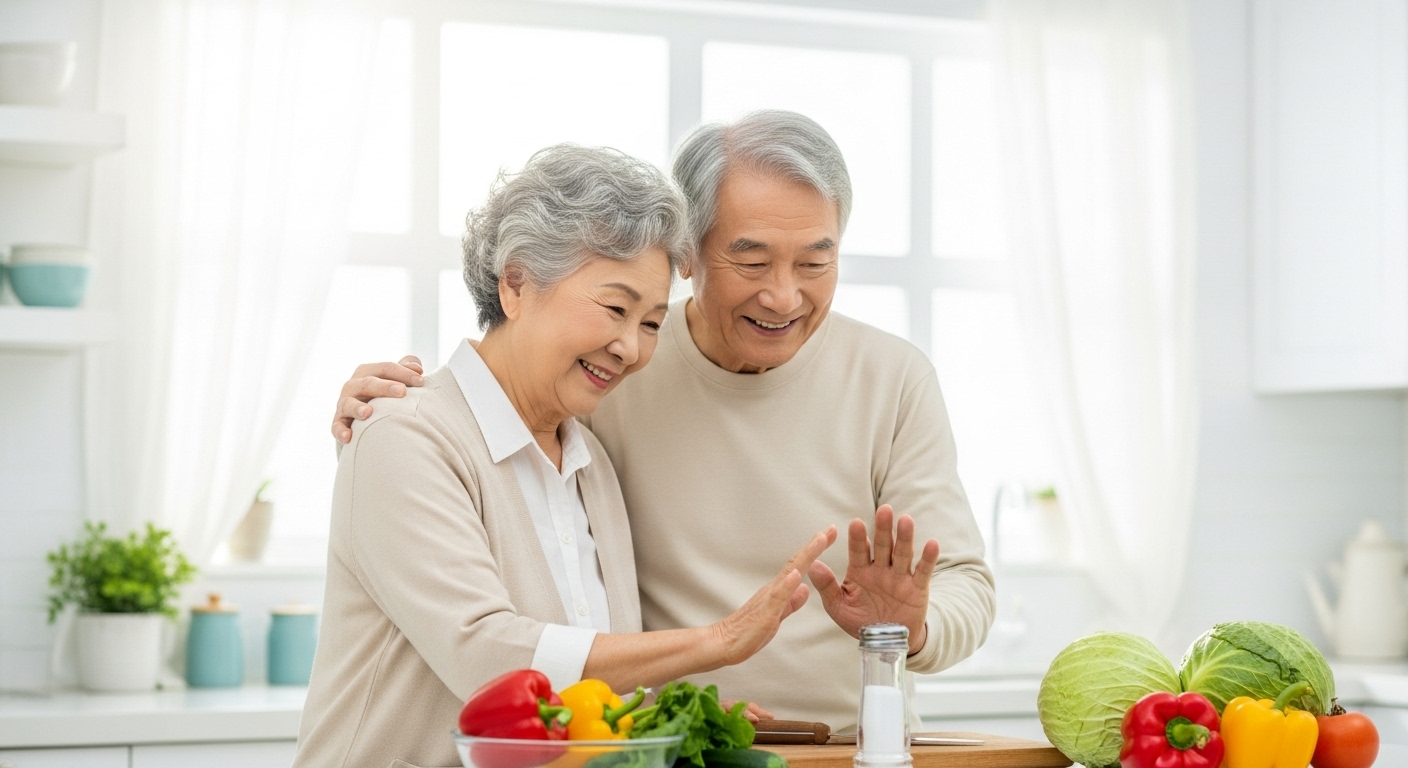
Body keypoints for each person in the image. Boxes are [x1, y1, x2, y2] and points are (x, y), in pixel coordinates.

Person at [334, 112, 996, 728]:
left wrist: (910, 629)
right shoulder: (608, 386)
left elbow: (965, 582)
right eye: (753, 260)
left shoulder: (894, 379)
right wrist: (386, 415)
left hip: (845, 743)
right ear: (691, 257)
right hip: (672, 747)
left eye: (816, 262)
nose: (784, 294)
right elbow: (506, 379)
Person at [295, 145, 836, 768]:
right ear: (517, 282)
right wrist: (719, 641)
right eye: (614, 308)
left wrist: (672, 717)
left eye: (654, 323)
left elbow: (574, 701)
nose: (630, 347)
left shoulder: (590, 465)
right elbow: (486, 657)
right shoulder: (403, 434)